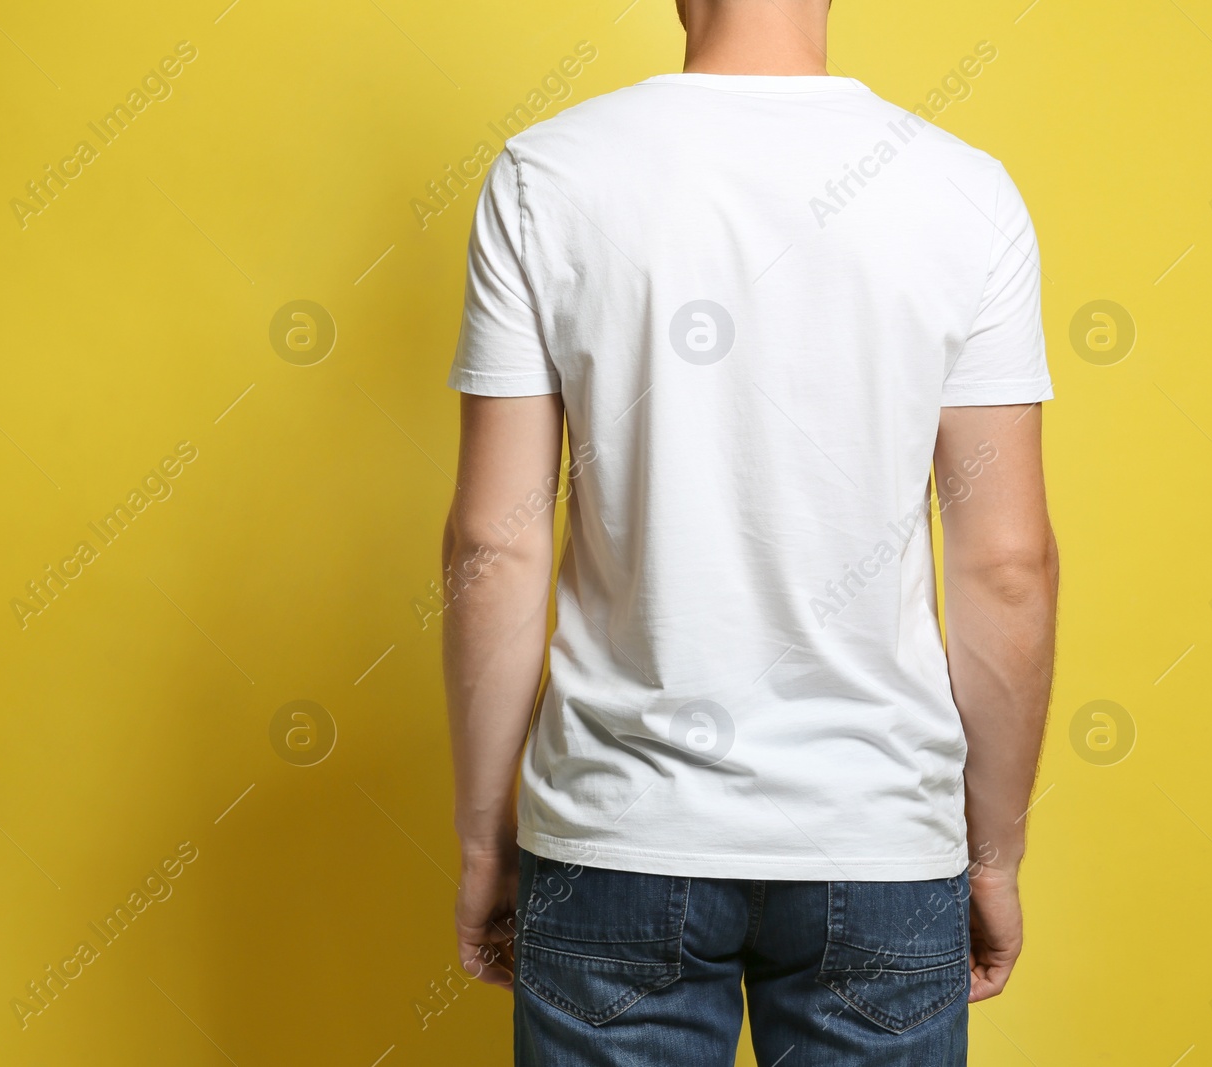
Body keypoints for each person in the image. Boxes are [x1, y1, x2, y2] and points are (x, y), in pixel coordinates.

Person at [440, 1, 1059, 1063]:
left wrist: (481, 838)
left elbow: (493, 546)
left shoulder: (547, 178)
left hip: (615, 828)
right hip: (877, 835)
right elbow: (1006, 566)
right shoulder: (967, 193)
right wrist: (990, 854)